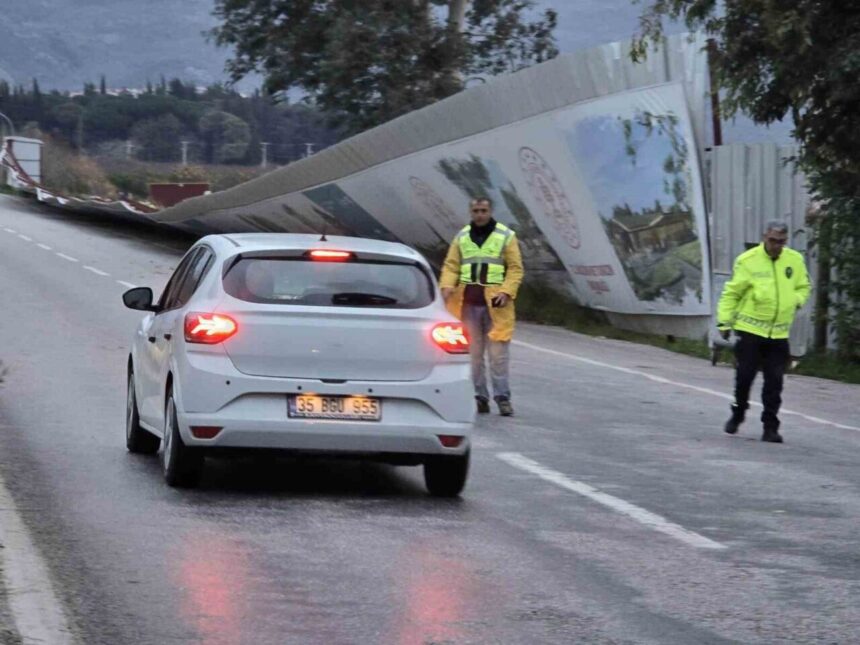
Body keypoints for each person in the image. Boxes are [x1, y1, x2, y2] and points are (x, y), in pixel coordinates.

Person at [717, 220, 811, 443]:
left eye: (781, 242)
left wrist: (795, 301)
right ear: (764, 237)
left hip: (778, 334)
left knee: (774, 383)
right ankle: (738, 413)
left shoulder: (794, 260)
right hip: (750, 331)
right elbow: (732, 293)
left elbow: (804, 286)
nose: (776, 245)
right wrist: (724, 322)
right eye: (772, 240)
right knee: (744, 378)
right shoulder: (748, 261)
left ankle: (770, 427)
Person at [440, 197, 524, 416]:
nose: (480, 214)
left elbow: (515, 269)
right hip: (467, 304)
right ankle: (480, 397)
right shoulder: (462, 237)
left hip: (496, 306)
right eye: (476, 210)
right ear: (470, 212)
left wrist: (506, 291)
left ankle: (502, 398)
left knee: (498, 356)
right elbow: (451, 266)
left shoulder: (505, 236)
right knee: (474, 355)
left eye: (483, 210)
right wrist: (447, 286)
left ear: (490, 211)